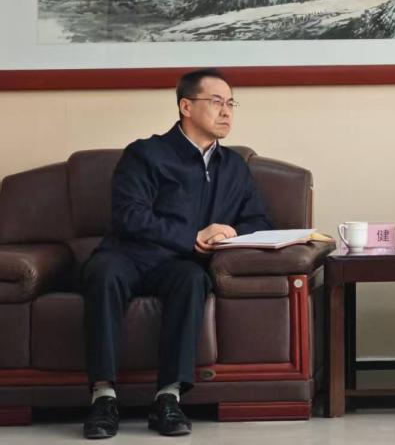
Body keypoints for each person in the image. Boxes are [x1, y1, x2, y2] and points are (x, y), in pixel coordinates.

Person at [81, 68, 273, 439]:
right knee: (103, 274)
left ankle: (168, 397)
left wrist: (229, 232)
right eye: (216, 102)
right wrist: (191, 237)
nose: (226, 112)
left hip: (179, 265)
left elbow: (259, 220)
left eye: (231, 103)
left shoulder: (234, 166)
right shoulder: (145, 154)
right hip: (129, 255)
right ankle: (103, 397)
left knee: (193, 279)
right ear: (186, 106)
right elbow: (129, 215)